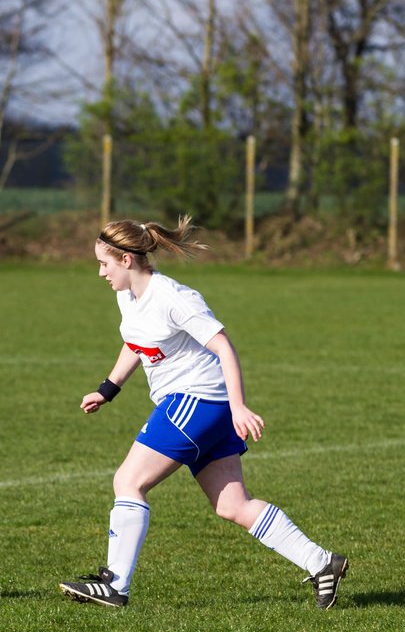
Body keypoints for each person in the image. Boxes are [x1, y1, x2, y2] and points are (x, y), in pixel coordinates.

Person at [58, 216, 349, 610]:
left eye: (104, 264)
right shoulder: (128, 296)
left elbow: (224, 347)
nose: (100, 272)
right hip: (204, 408)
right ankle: (321, 563)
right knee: (233, 505)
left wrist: (240, 406)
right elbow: (136, 342)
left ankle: (115, 585)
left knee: (128, 481)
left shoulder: (174, 298)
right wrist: (108, 389)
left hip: (195, 401)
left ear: (126, 260)